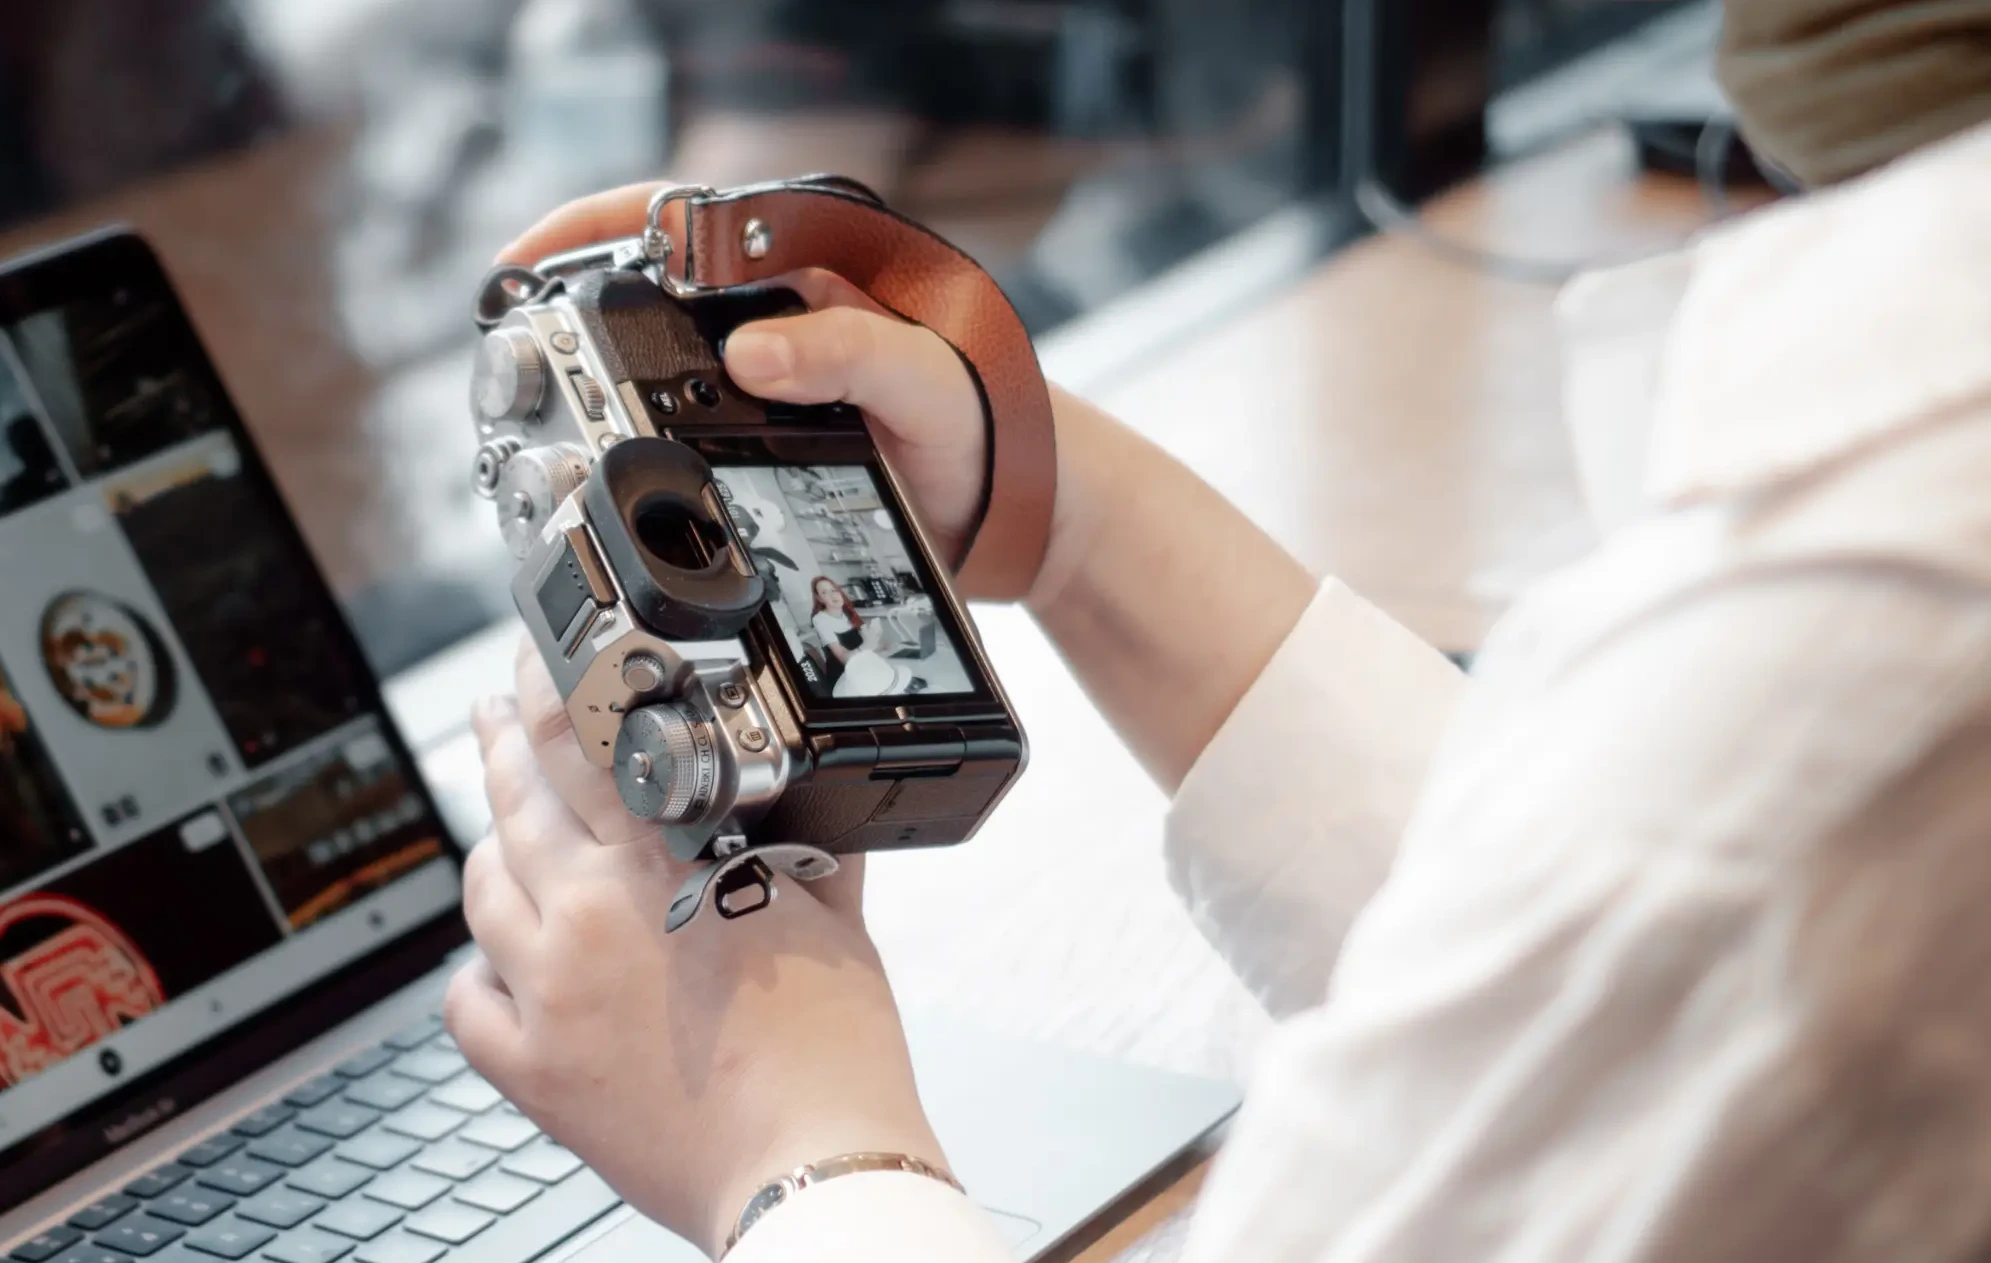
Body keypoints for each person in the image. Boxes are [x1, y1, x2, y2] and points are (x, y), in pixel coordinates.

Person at [446, 1, 1991, 1258]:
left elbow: (1709, 869)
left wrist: (793, 1154)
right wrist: (1056, 501)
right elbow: (1631, 964)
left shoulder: (1868, 598)